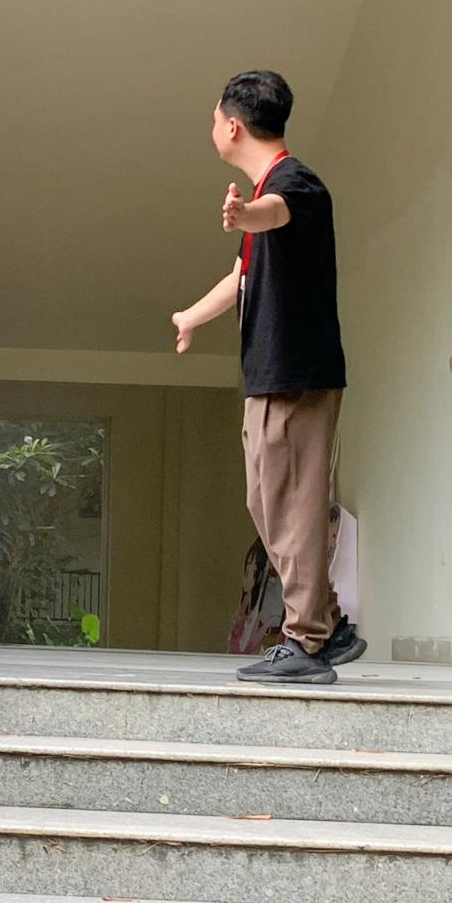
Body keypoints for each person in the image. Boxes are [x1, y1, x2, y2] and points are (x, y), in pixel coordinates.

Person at [171, 70, 365, 684]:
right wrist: (189, 317)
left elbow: (271, 216)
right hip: (271, 373)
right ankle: (327, 624)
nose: (212, 129)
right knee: (267, 500)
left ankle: (306, 639)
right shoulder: (271, 189)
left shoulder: (293, 184)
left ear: (233, 125)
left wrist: (243, 213)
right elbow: (242, 277)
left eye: (214, 120)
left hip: (296, 373)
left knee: (291, 504)